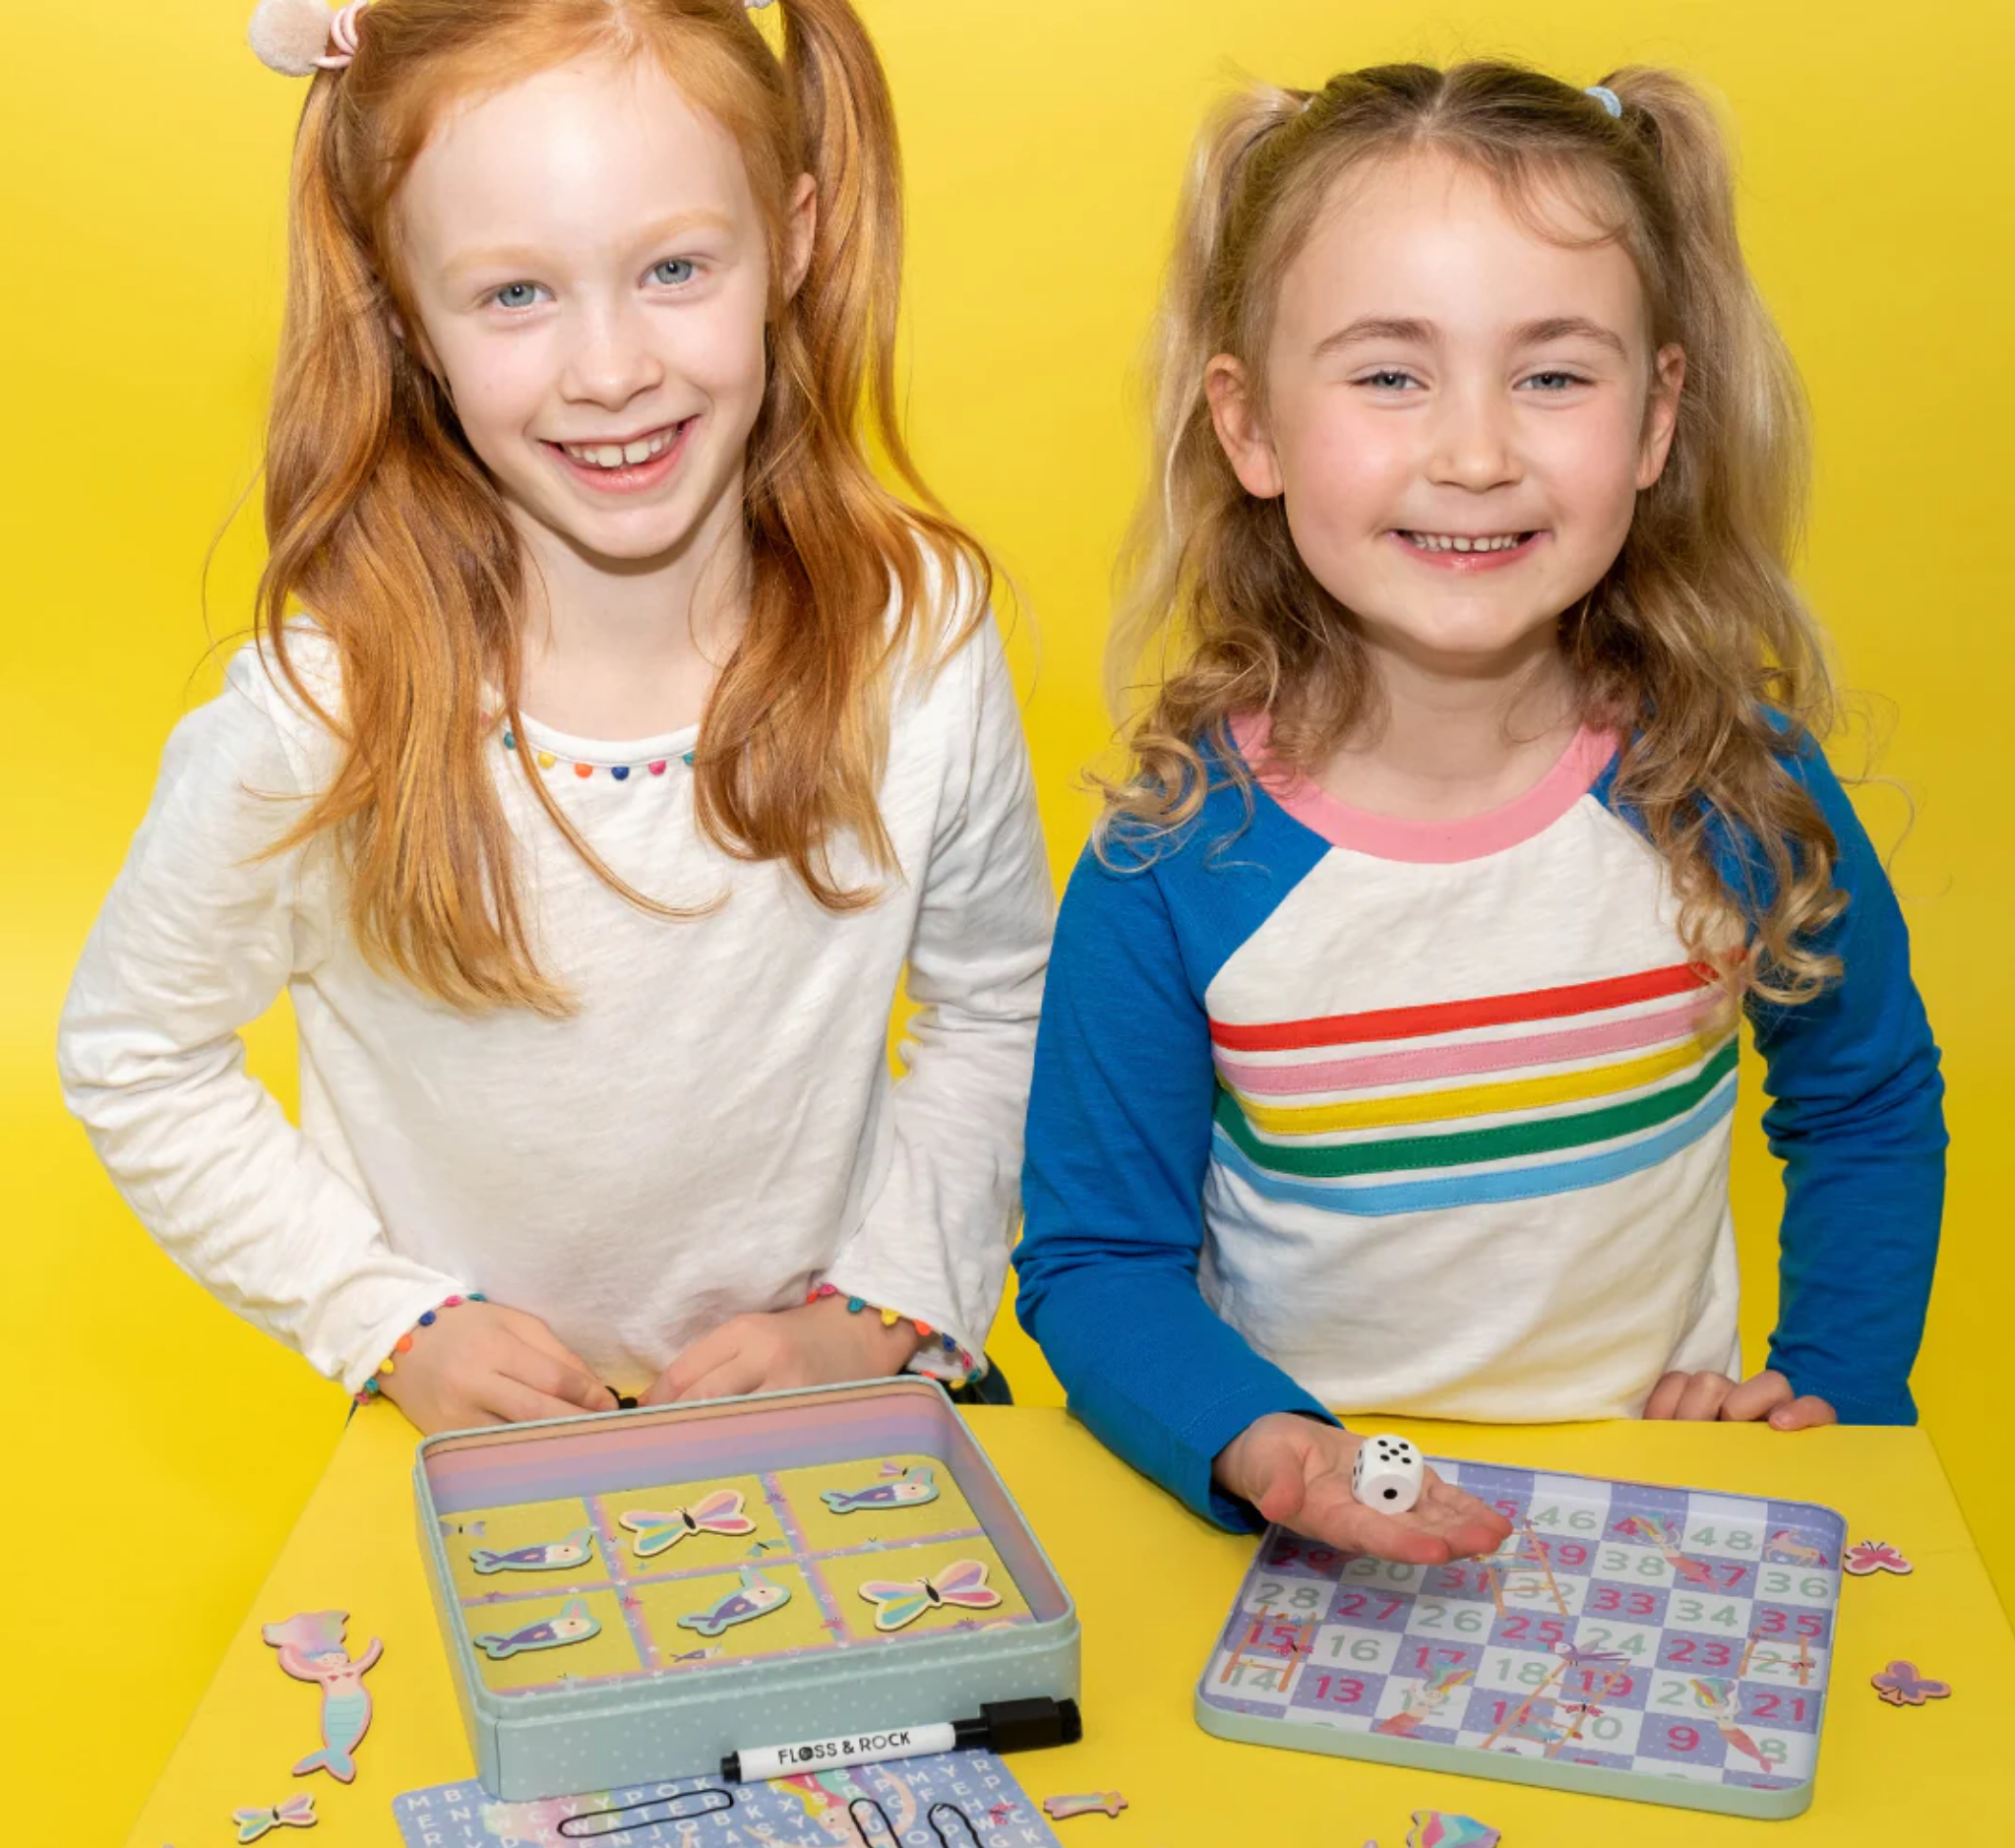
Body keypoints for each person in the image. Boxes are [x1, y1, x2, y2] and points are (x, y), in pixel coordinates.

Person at [58, 0, 1049, 1432]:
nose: (610, 369)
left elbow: (1000, 1003)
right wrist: (384, 1322)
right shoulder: (321, 710)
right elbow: (136, 1050)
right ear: (408, 316)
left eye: (673, 267)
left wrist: (881, 1310)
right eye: (515, 295)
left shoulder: (922, 638)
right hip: (484, 1446)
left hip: (853, 1399)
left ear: (799, 235)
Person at [1015, 61, 1942, 1563]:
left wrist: (1828, 1399)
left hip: (1659, 1529)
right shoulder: (1171, 864)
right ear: (1248, 425)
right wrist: (1276, 1457)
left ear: (1657, 417)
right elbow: (1097, 1262)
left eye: (1555, 373)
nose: (1475, 452)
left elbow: (1866, 1104)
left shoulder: (1731, 787)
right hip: (1293, 1557)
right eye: (1390, 372)